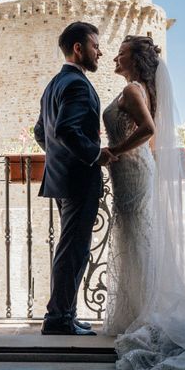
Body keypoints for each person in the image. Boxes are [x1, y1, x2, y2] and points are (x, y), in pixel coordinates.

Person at [102, 35, 185, 370]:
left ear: (135, 60)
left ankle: (144, 311)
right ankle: (136, 308)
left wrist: (114, 151)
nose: (115, 56)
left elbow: (148, 129)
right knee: (134, 235)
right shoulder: (137, 90)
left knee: (137, 234)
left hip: (133, 169)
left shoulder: (132, 92)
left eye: (121, 53)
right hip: (133, 170)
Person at [34, 21, 118, 336]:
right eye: (96, 46)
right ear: (79, 49)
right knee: (73, 250)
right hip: (78, 180)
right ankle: (57, 319)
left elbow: (41, 132)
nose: (100, 51)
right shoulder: (78, 85)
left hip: (62, 179)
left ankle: (65, 313)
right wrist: (95, 155)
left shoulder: (54, 84)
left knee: (71, 248)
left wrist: (59, 158)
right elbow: (66, 130)